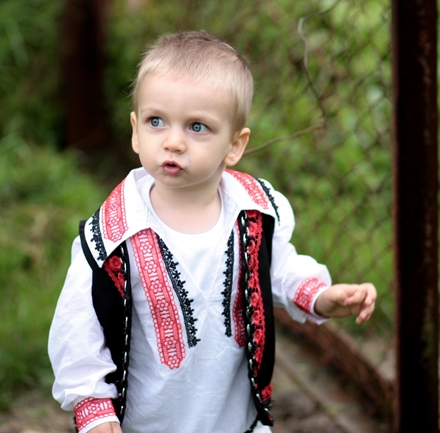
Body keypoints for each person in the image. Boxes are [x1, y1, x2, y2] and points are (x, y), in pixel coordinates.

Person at [48, 30, 376, 433]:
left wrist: (322, 297)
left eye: (197, 127)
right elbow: (80, 330)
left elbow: (277, 267)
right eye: (156, 121)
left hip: (236, 420)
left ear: (234, 145)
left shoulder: (253, 212)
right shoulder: (114, 238)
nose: (173, 142)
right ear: (135, 130)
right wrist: (96, 412)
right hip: (148, 424)